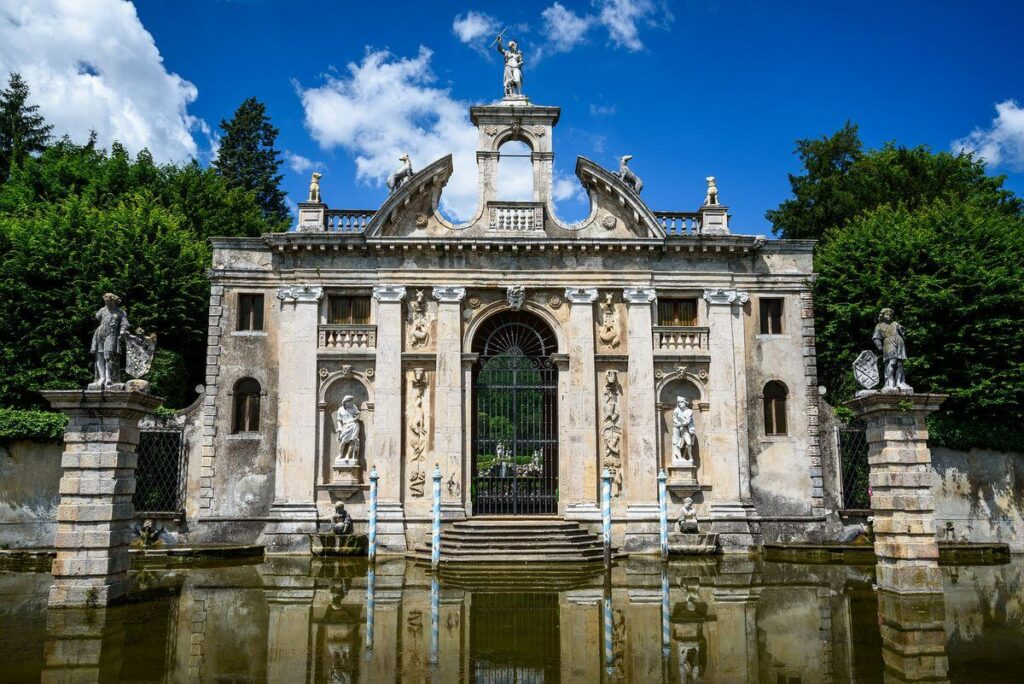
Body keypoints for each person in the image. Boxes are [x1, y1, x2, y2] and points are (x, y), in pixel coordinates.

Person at [89, 293, 129, 389]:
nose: (106, 303)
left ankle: (109, 378)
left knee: (108, 356)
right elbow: (97, 317)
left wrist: (123, 331)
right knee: (99, 356)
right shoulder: (102, 310)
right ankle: (101, 378)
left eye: (108, 301)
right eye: (105, 301)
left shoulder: (120, 312)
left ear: (113, 301)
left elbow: (125, 324)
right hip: (100, 333)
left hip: (112, 334)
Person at [872, 308, 910, 390]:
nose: (889, 316)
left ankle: (900, 382)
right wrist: (880, 347)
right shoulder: (879, 326)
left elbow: (903, 332)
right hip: (888, 343)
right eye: (887, 314)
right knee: (892, 363)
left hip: (899, 342)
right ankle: (889, 383)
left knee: (900, 363)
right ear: (883, 315)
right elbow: (876, 338)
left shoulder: (895, 323)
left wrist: (902, 330)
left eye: (891, 315)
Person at [335, 395, 361, 463]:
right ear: (344, 402)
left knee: (352, 441)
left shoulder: (354, 407)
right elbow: (339, 420)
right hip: (345, 426)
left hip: (354, 425)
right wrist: (340, 427)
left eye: (351, 401)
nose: (350, 403)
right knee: (343, 442)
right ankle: (340, 454)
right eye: (348, 401)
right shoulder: (340, 409)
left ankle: (348, 456)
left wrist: (357, 417)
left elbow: (358, 414)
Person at [672, 397, 697, 463]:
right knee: (681, 444)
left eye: (681, 402)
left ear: (684, 403)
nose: (679, 404)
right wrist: (677, 423)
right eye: (678, 402)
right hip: (679, 430)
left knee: (688, 443)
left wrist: (679, 424)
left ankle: (688, 457)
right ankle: (682, 457)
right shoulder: (676, 410)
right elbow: (674, 418)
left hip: (688, 429)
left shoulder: (689, 411)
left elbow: (687, 421)